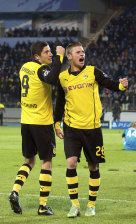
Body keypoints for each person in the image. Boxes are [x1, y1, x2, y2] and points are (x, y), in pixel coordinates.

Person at [54, 41, 128, 218]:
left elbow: (109, 83)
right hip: (72, 128)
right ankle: (74, 205)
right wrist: (57, 123)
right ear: (69, 56)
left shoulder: (92, 72)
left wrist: (121, 86)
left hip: (92, 128)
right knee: (71, 163)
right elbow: (60, 102)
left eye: (83, 52)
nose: (82, 54)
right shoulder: (63, 77)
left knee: (93, 166)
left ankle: (91, 205)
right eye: (78, 52)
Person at [9, 41, 65, 215]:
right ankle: (42, 206)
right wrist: (59, 56)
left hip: (26, 121)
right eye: (46, 52)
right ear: (36, 56)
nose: (49, 54)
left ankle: (15, 191)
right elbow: (52, 78)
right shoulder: (41, 70)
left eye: (50, 52)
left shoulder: (24, 67)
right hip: (42, 122)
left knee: (29, 161)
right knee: (46, 162)